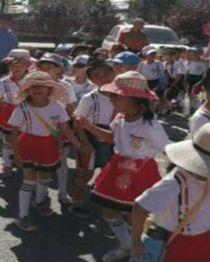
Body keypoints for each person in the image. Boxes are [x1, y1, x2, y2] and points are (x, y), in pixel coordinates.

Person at [131, 123, 210, 262]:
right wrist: (136, 244)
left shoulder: (208, 177)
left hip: (201, 240)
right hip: (179, 244)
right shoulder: (174, 183)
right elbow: (140, 207)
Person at [76, 71, 168, 262]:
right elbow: (111, 138)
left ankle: (139, 248)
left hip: (141, 171)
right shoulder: (119, 118)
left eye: (118, 96)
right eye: (113, 94)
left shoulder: (150, 126)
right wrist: (87, 125)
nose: (112, 98)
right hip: (117, 167)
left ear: (137, 101)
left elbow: (167, 149)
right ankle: (126, 245)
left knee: (137, 212)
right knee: (109, 210)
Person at [8, 71, 81, 232]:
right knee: (29, 180)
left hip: (49, 145)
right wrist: (16, 152)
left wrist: (77, 144)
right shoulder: (22, 107)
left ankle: (39, 201)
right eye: (32, 86)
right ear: (27, 90)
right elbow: (13, 131)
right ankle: (23, 215)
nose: (37, 89)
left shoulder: (57, 106)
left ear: (49, 89)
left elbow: (65, 128)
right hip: (27, 144)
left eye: (41, 86)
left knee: (45, 177)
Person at [70, 59, 116, 218]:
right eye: (97, 75)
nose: (104, 77)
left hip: (114, 137)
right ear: (91, 80)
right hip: (91, 137)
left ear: (113, 72)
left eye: (106, 72)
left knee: (112, 172)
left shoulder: (121, 95)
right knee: (85, 173)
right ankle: (76, 201)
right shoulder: (90, 98)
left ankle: (107, 202)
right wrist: (84, 143)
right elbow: (78, 122)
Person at [35, 53, 80, 205]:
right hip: (38, 128)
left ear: (58, 69)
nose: (46, 70)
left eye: (50, 67)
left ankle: (62, 192)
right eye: (43, 67)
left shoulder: (65, 85)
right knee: (40, 162)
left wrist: (74, 127)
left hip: (60, 128)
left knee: (61, 161)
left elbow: (71, 107)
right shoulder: (32, 84)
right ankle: (40, 193)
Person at [0, 49, 31, 179]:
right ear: (8, 66)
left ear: (27, 66)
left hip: (29, 112)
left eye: (21, 65)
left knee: (27, 139)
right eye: (13, 65)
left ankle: (25, 163)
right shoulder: (3, 82)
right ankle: (7, 164)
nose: (17, 68)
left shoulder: (34, 80)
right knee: (8, 139)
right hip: (10, 112)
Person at [185, 46, 208, 112]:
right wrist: (185, 79)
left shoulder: (203, 63)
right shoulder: (189, 62)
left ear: (200, 54)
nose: (194, 54)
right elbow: (187, 71)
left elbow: (204, 73)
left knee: (195, 93)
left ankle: (197, 107)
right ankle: (192, 106)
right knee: (189, 93)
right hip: (190, 77)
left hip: (198, 78)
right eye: (193, 53)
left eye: (196, 53)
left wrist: (202, 81)